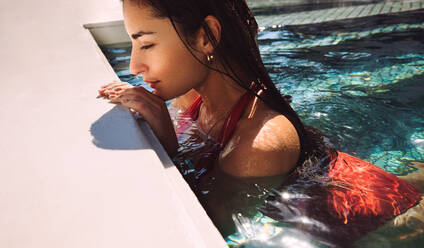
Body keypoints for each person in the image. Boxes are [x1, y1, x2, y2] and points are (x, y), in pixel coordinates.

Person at [98, 0, 423, 245]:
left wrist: (168, 148)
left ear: (206, 37)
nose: (134, 64)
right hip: (348, 179)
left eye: (147, 44)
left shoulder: (260, 142)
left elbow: (207, 230)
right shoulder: (189, 98)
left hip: (389, 214)